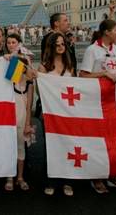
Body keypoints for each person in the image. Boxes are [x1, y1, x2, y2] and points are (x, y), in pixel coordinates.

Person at [79, 19, 116, 194]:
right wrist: (104, 74)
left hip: (114, 101)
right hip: (97, 102)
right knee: (99, 140)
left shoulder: (115, 49)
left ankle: (113, 174)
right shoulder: (92, 50)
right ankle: (97, 177)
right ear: (107, 32)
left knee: (114, 139)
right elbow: (83, 75)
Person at [37, 32, 74, 196]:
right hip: (50, 113)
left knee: (67, 145)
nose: (60, 47)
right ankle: (50, 180)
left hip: (67, 113)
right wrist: (45, 112)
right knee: (51, 147)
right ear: (51, 47)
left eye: (62, 44)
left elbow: (75, 87)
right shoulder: (43, 67)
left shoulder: (70, 65)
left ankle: (67, 181)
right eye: (57, 44)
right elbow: (41, 93)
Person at [0, 33, 33, 193]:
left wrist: (28, 122)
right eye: (9, 42)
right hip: (8, 109)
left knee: (20, 145)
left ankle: (19, 177)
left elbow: (30, 77)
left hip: (21, 109)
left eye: (14, 42)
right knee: (8, 145)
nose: (10, 44)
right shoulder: (6, 67)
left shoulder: (26, 73)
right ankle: (9, 177)